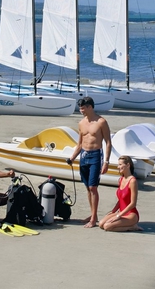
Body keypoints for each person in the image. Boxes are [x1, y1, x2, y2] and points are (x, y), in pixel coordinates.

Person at [66, 96, 112, 228]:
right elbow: (80, 143)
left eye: (83, 108)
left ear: (90, 107)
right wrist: (72, 158)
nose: (81, 110)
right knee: (87, 187)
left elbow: (108, 142)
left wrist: (106, 162)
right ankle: (93, 215)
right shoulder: (81, 123)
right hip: (84, 156)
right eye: (80, 108)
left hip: (96, 155)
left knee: (93, 187)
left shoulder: (101, 122)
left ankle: (93, 219)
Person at [99, 155, 142, 232]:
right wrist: (113, 211)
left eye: (120, 164)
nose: (118, 167)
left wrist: (118, 215)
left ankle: (132, 227)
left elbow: (133, 204)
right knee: (101, 224)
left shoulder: (132, 181)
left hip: (131, 215)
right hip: (121, 212)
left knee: (107, 226)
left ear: (128, 165)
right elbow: (120, 200)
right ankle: (125, 223)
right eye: (118, 165)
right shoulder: (121, 179)